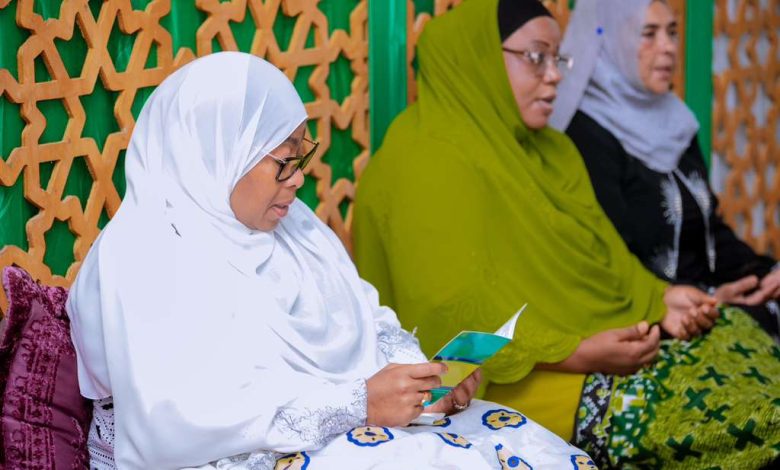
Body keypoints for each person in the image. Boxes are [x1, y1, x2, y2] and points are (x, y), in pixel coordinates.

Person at [65, 51, 591, 469]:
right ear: (217, 155)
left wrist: (420, 381)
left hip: (338, 431)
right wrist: (356, 405)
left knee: (519, 444)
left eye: (302, 156)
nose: (298, 179)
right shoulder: (143, 257)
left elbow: (367, 319)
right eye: (283, 161)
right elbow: (172, 424)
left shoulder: (295, 229)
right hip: (220, 458)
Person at [353, 0, 780, 468]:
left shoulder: (551, 152)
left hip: (593, 346)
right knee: (748, 420)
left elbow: (602, 255)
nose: (554, 75)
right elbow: (450, 314)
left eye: (558, 58)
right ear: (479, 59)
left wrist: (659, 299)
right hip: (504, 384)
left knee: (747, 346)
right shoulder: (420, 161)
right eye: (536, 57)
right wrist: (577, 353)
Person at [549, 0, 780, 341]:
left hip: (707, 302)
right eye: (648, 34)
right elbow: (608, 261)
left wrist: (764, 275)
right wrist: (705, 300)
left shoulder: (674, 120)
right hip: (647, 320)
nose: (668, 46)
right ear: (608, 40)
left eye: (672, 32)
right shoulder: (584, 135)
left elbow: (709, 229)